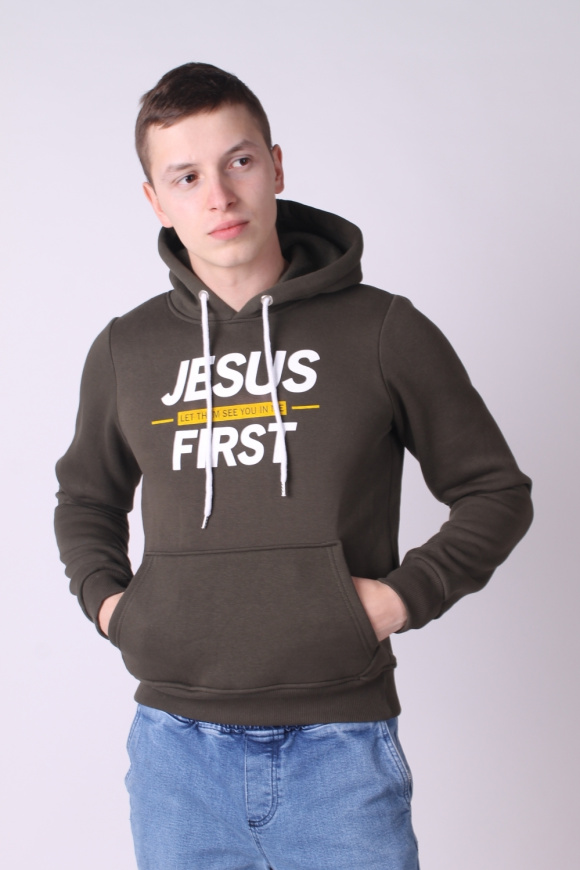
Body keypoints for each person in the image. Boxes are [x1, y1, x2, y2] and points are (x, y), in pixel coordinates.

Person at [54, 62, 533, 870]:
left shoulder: (383, 330)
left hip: (340, 749)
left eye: (238, 161)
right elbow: (85, 499)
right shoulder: (125, 350)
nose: (219, 196)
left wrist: (399, 598)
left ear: (276, 166)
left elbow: (494, 491)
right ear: (156, 200)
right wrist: (113, 607)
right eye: (186, 176)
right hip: (175, 754)